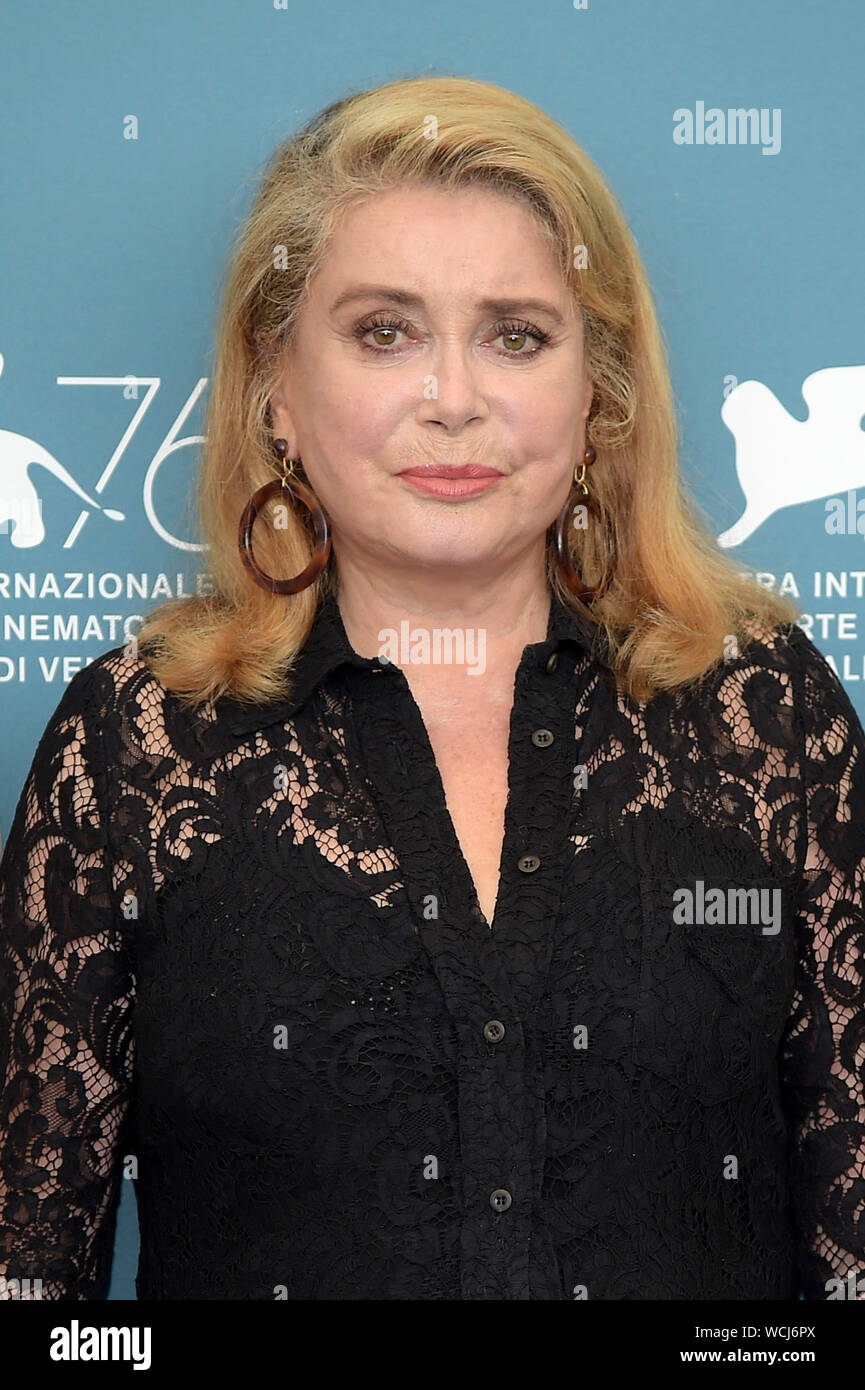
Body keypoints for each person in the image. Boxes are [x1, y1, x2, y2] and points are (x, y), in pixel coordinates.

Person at [1, 73, 863, 1302]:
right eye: (383, 331)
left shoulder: (768, 719)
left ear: (595, 396)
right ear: (275, 388)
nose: (452, 399)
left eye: (516, 334)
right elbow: (32, 1283)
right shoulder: (136, 748)